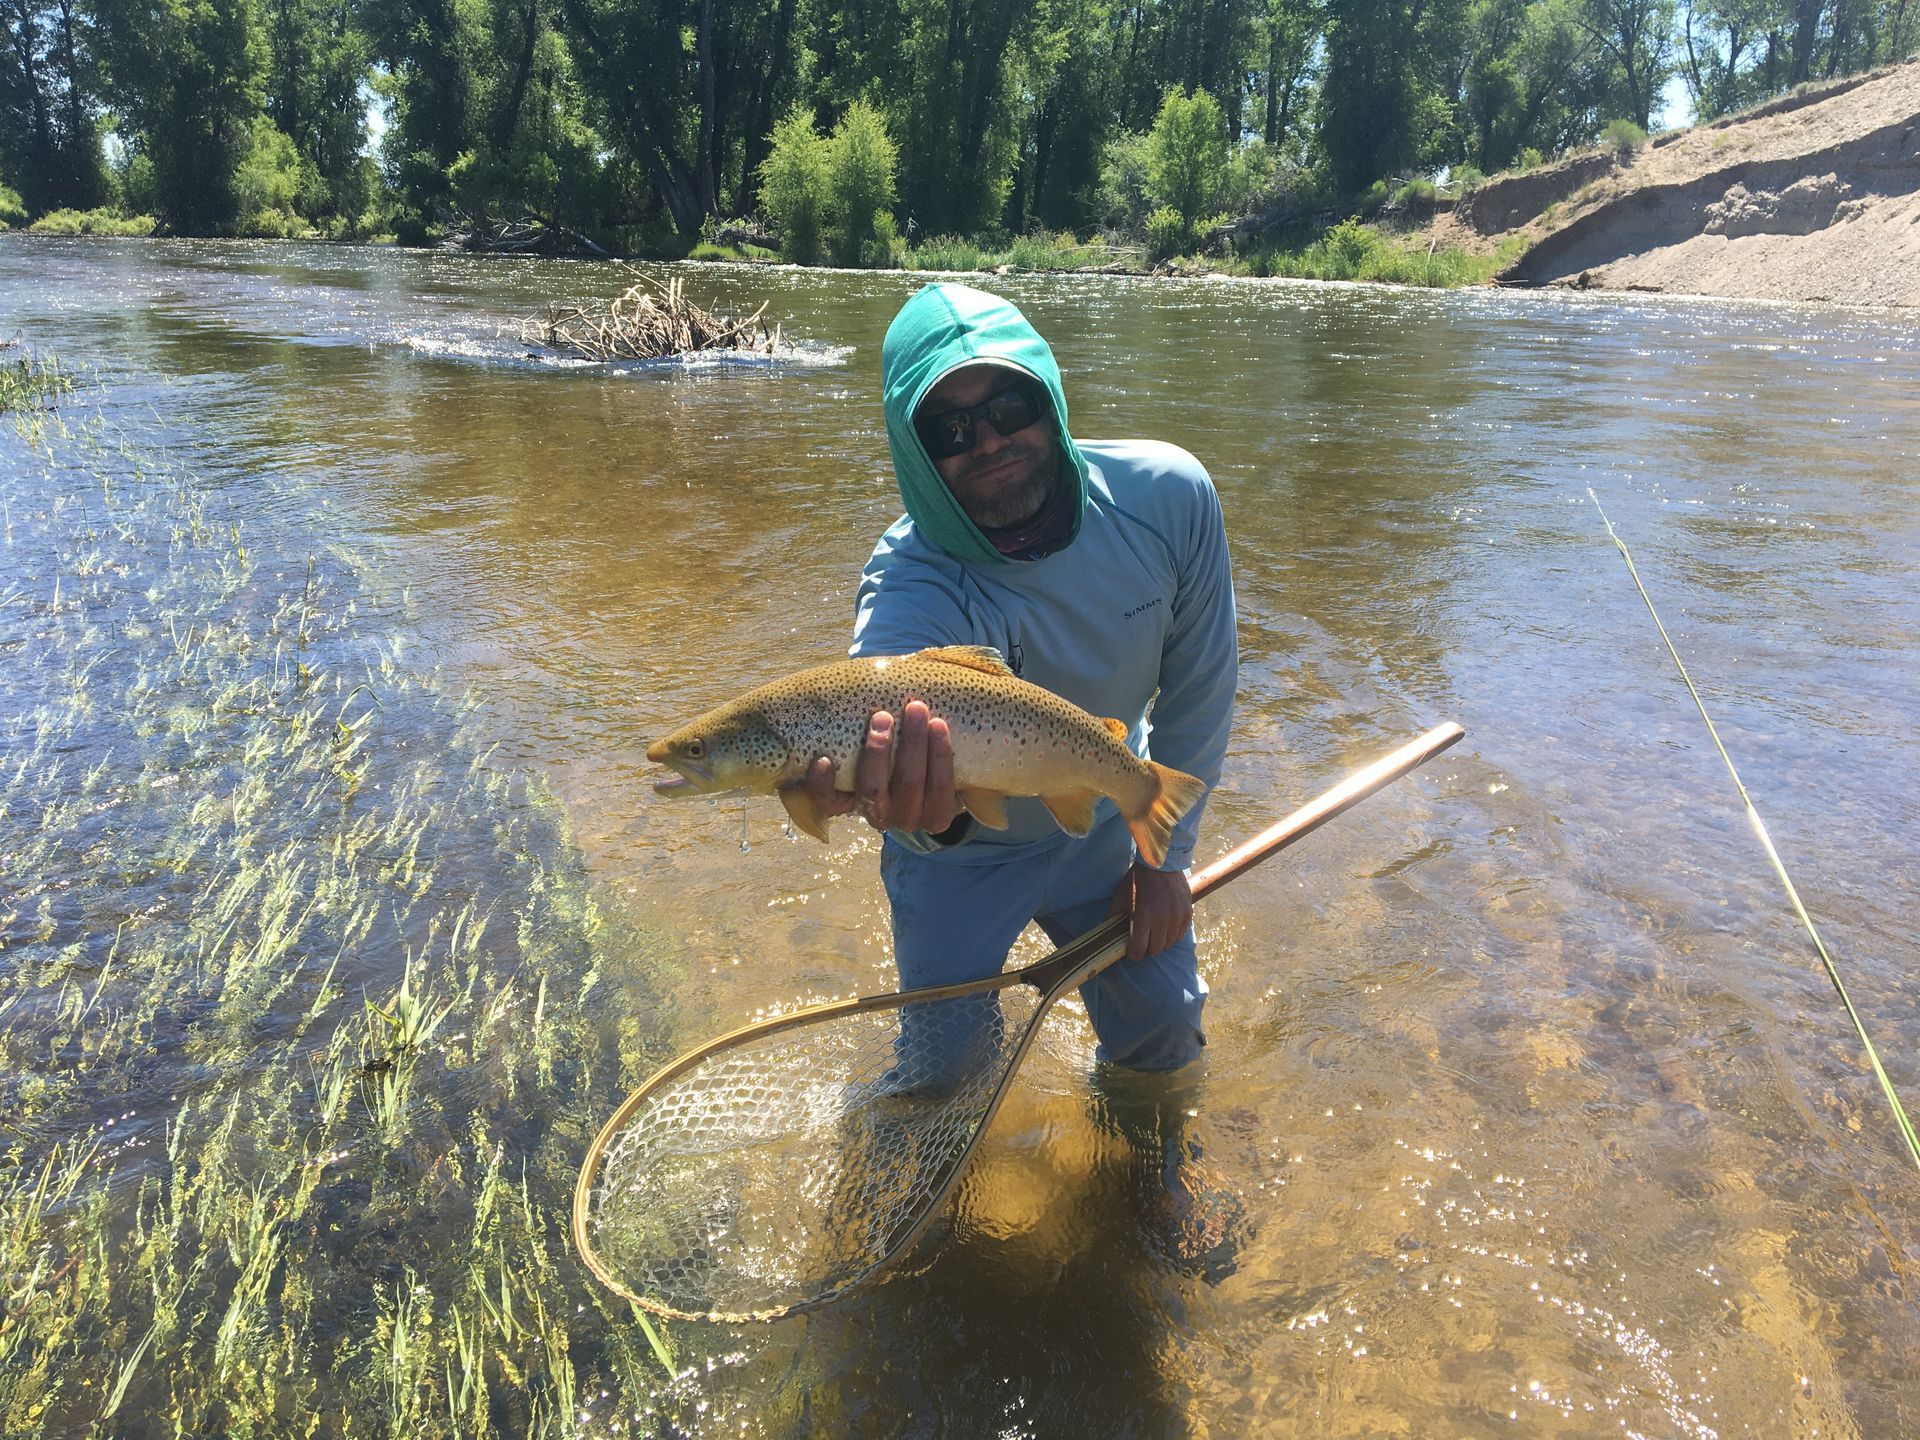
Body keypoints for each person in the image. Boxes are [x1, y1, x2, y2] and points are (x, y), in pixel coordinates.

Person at [787, 283, 1240, 1269]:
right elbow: (884, 713)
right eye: (949, 430)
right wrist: (918, 815)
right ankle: (911, 1204)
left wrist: (1166, 863)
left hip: (1106, 828)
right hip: (957, 863)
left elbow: (1201, 691)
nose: (987, 440)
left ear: (1050, 396)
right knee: (943, 1072)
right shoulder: (911, 582)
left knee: (1165, 1031)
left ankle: (1150, 1170)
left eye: (1008, 405)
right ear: (917, 454)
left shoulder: (1168, 499)